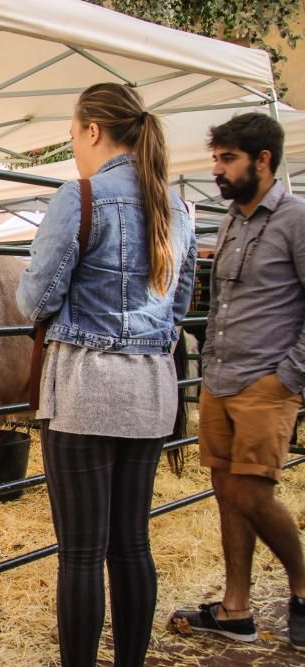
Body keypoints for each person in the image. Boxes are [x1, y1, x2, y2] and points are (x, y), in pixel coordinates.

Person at [16, 83, 196, 666]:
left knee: (82, 555)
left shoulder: (80, 197)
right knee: (133, 545)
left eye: (72, 135)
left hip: (85, 391)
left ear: (93, 130)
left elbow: (33, 300)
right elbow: (181, 305)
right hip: (150, 391)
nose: (73, 147)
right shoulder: (178, 208)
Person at [170, 113, 305, 650]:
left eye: (228, 159)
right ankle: (236, 609)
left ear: (263, 160)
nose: (217, 170)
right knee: (227, 492)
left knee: (253, 493)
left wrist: (287, 376)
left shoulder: (296, 219)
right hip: (220, 376)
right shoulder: (229, 220)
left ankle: (302, 586)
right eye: (216, 158)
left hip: (265, 382)